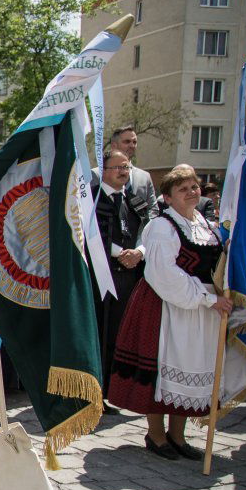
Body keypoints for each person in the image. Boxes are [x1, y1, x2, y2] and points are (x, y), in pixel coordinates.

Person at [108, 164, 246, 459]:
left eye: (194, 187)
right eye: (183, 189)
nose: (191, 192)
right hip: (166, 305)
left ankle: (178, 435)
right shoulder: (162, 226)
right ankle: (155, 434)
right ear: (168, 197)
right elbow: (164, 273)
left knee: (191, 369)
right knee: (162, 368)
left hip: (199, 310)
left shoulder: (204, 224)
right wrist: (205, 298)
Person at [91, 150, 150, 414]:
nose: (124, 171)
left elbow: (146, 232)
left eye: (127, 166)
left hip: (129, 277)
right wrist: (120, 254)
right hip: (101, 278)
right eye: (118, 167)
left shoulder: (134, 201)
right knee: (101, 334)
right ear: (103, 170)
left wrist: (140, 252)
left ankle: (112, 390)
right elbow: (90, 235)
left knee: (119, 334)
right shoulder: (92, 198)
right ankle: (94, 394)